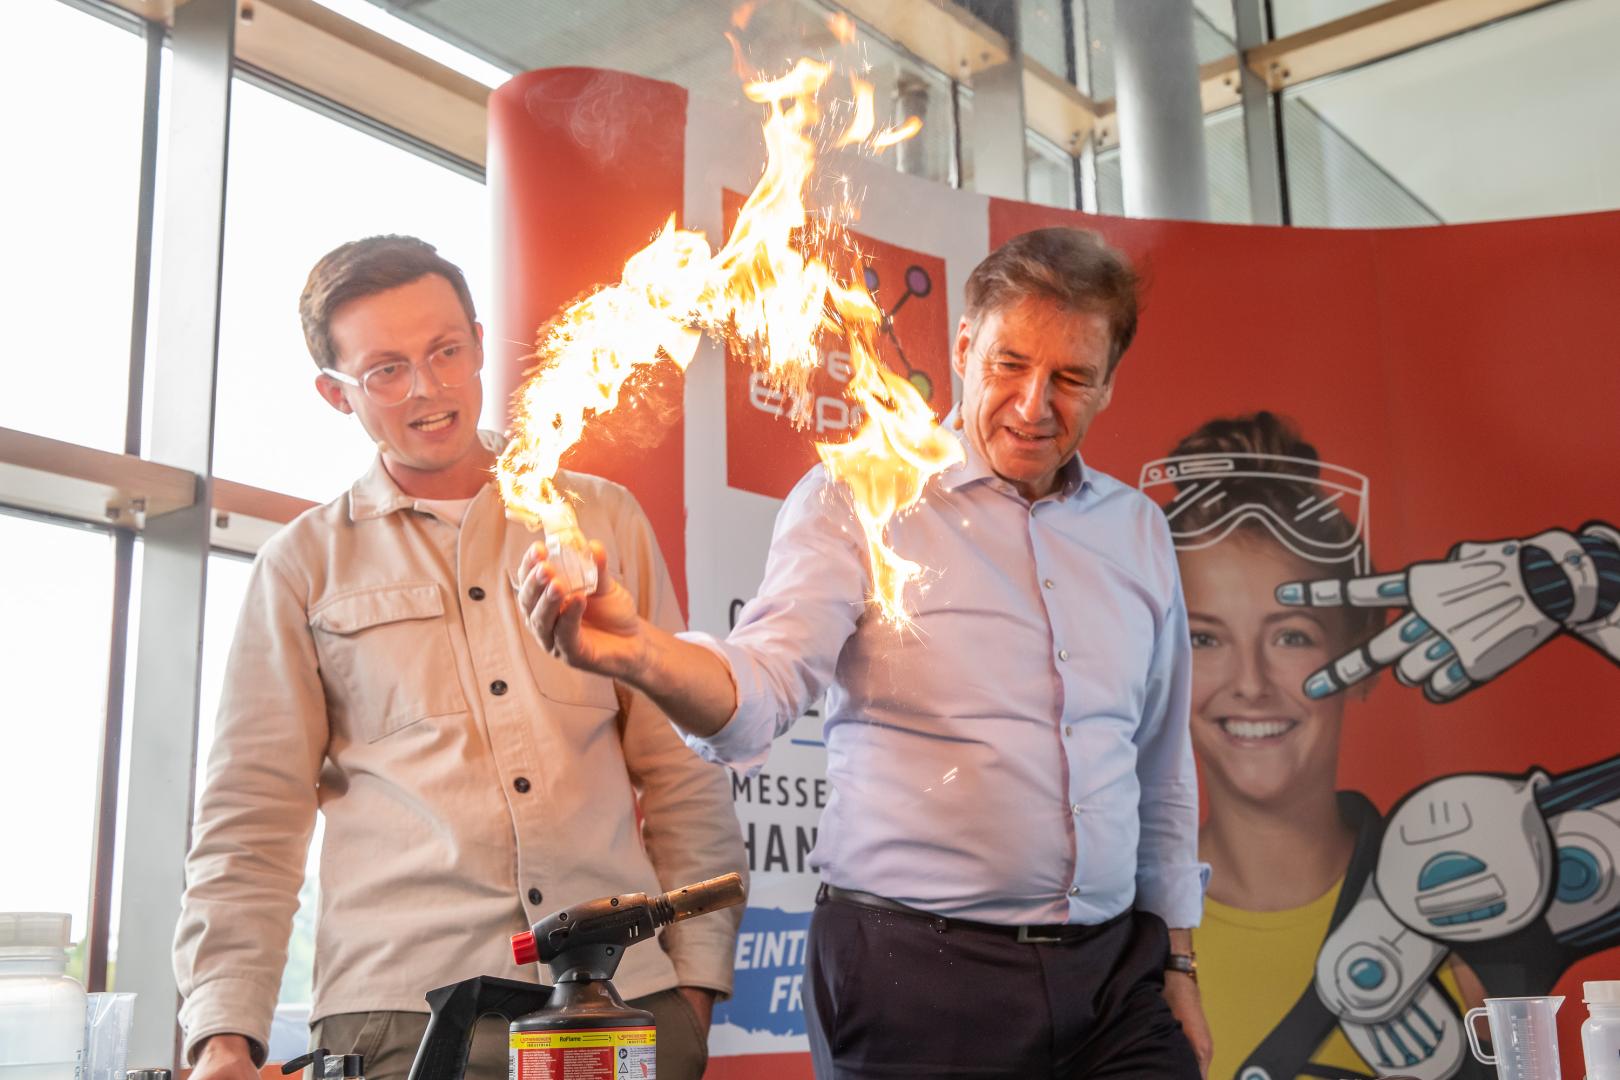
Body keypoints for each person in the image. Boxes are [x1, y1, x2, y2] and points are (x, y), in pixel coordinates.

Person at [520, 227, 1212, 1078]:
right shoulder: (860, 494)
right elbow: (762, 688)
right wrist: (641, 656)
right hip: (914, 974)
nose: (1035, 405)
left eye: (1071, 378)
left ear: (1108, 383)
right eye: (1009, 364)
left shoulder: (1138, 531)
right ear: (963, 346)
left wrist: (1178, 962)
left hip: (1115, 980)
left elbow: (1160, 765)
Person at [172, 235, 745, 1080]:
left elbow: (681, 767)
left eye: (445, 351)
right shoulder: (300, 567)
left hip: (622, 1004)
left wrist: (694, 988)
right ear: (335, 394)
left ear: (479, 343)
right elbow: (251, 820)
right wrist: (224, 1036)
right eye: (386, 370)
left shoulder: (600, 520)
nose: (428, 388)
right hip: (400, 1023)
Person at [1146, 411, 1480, 1079]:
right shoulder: (1129, 940)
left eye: (1291, 635)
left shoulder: (1464, 919)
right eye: (1205, 638)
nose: (1250, 684)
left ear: (1362, 651)